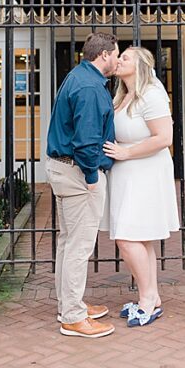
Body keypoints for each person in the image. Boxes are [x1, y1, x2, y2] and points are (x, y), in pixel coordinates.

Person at [45, 32, 118, 338]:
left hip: (63, 168)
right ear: (104, 55)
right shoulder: (90, 87)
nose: (117, 59)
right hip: (78, 173)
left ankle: (69, 305)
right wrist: (91, 177)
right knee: (79, 246)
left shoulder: (78, 76)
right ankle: (73, 316)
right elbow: (86, 140)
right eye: (116, 54)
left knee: (67, 242)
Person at [103, 46, 180, 328]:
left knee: (126, 237)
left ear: (141, 65)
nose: (119, 59)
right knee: (141, 237)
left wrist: (126, 153)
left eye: (125, 57)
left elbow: (164, 137)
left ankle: (147, 299)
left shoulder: (152, 94)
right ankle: (153, 296)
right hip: (127, 173)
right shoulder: (122, 96)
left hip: (145, 171)